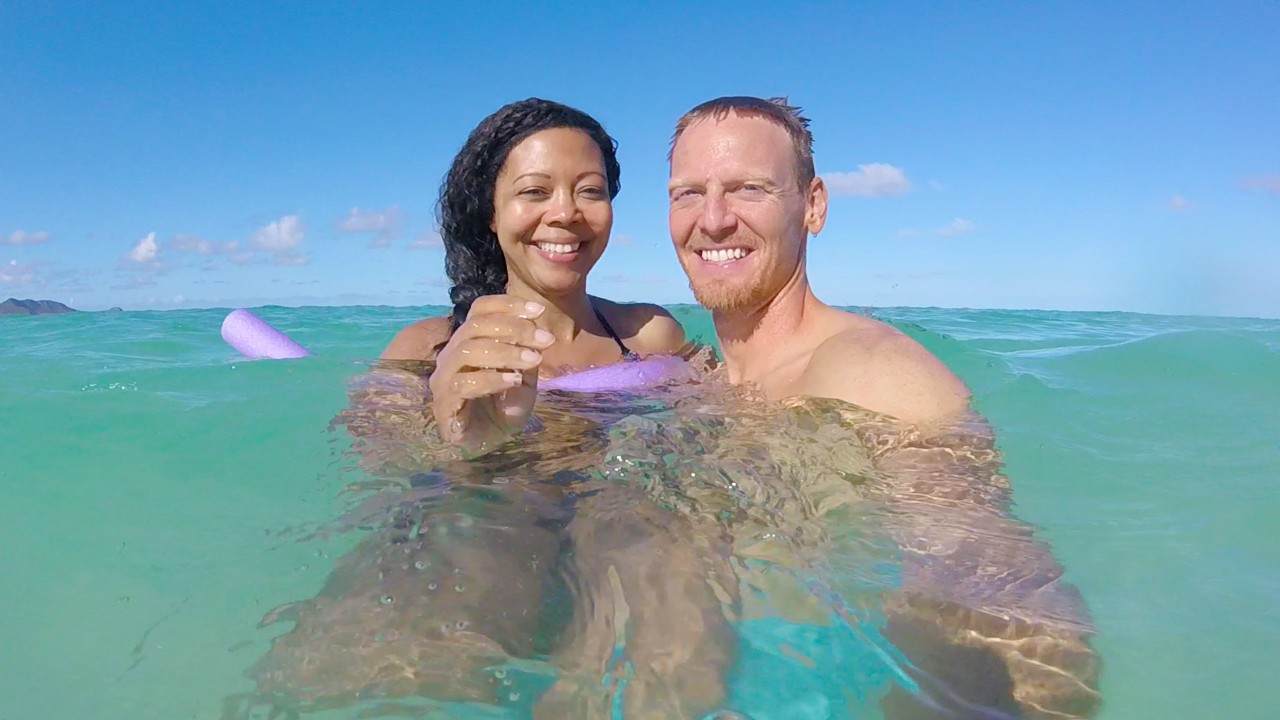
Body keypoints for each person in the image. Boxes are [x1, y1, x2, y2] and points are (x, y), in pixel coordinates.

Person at [667, 96, 1102, 719]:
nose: (712, 220)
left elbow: (1013, 604)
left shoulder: (869, 373)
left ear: (812, 206)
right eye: (687, 194)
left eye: (748, 189)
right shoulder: (702, 377)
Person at [383, 98, 687, 452]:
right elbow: (380, 470)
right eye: (534, 191)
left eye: (590, 191)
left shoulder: (651, 334)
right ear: (491, 214)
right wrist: (466, 447)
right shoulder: (423, 350)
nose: (565, 213)